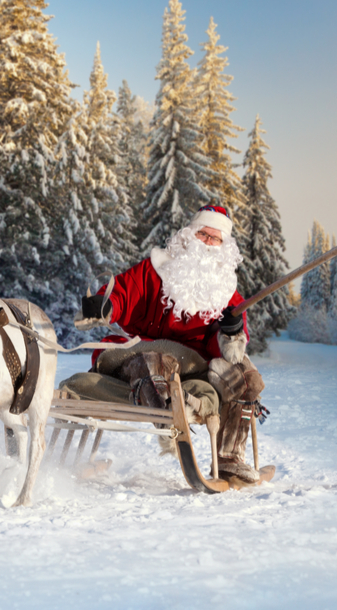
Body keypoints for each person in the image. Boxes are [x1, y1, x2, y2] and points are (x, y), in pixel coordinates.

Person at [60, 205, 265, 482]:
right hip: (139, 350)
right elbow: (122, 293)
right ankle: (168, 411)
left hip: (193, 365)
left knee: (244, 373)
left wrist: (231, 333)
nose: (206, 243)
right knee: (154, 359)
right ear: (189, 234)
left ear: (224, 246)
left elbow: (226, 352)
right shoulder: (155, 269)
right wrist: (105, 304)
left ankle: (230, 460)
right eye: (203, 234)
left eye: (215, 239)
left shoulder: (229, 295)